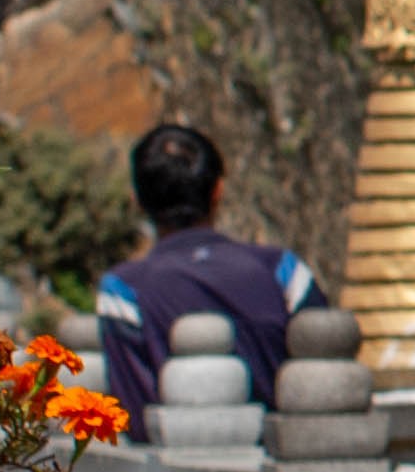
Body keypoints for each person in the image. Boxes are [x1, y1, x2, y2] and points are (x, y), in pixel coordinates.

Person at [92, 124, 312, 416]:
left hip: (173, 456)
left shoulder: (124, 291)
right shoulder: (281, 270)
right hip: (289, 454)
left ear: (137, 200)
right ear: (218, 191)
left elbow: (135, 409)